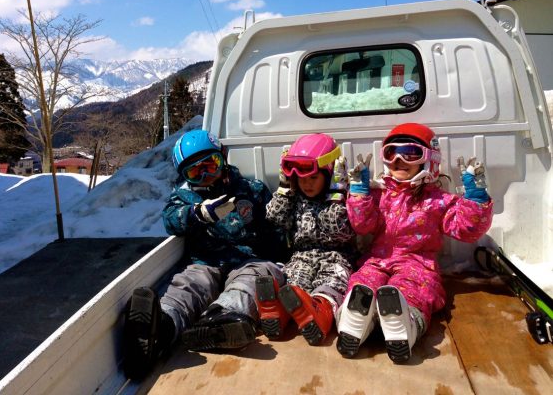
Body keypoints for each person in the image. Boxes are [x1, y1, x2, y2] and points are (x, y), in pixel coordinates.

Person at [123, 129, 287, 380]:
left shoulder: (251, 189)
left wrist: (279, 254)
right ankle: (162, 326)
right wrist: (197, 214)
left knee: (253, 280)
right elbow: (170, 221)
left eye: (210, 165)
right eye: (195, 172)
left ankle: (222, 318)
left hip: (248, 259)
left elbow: (274, 224)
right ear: (185, 176)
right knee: (189, 285)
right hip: (206, 262)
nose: (205, 175)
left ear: (223, 157)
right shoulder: (184, 197)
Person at [336, 122, 493, 363]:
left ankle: (405, 322)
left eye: (410, 153)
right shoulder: (380, 194)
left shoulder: (438, 200)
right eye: (391, 153)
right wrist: (359, 193)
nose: (399, 159)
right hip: (377, 260)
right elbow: (362, 226)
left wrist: (475, 198)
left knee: (414, 289)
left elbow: (467, 230)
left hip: (417, 264)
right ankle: (354, 319)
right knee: (363, 282)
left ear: (429, 159)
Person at [255, 133, 356, 346]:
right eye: (300, 178)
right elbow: (275, 217)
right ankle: (278, 312)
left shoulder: (341, 199)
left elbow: (338, 228)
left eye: (313, 178)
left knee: (332, 282)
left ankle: (321, 311)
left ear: (329, 176)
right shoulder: (296, 197)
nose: (306, 184)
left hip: (337, 257)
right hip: (301, 255)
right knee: (292, 283)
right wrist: (284, 189)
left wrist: (336, 194)